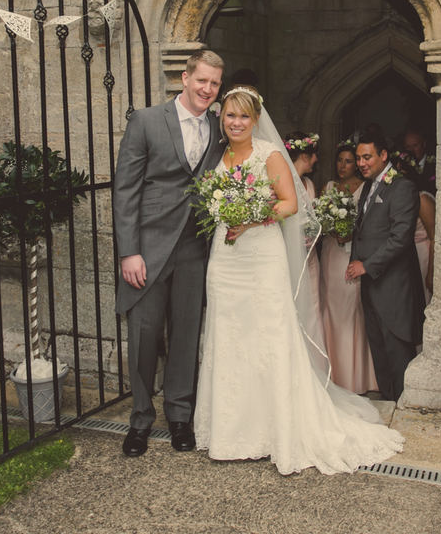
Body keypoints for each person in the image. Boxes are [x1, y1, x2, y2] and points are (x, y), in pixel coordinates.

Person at [195, 87, 404, 475]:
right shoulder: (220, 155)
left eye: (243, 116)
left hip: (261, 254)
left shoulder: (268, 154)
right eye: (229, 116)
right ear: (221, 119)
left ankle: (278, 428)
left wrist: (253, 215)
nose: (235, 122)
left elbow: (289, 204)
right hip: (226, 258)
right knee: (229, 334)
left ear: (255, 120)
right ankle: (232, 429)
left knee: (269, 335)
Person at [113, 50, 226, 458]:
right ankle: (140, 420)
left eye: (214, 84)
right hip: (148, 249)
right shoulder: (145, 121)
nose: (208, 90)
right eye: (202, 81)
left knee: (185, 334)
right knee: (143, 337)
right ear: (185, 77)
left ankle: (180, 416)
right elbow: (125, 189)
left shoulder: (218, 126)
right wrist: (130, 252)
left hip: (196, 247)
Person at [345, 133, 426, 402]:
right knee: (379, 348)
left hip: (394, 285)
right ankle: (390, 401)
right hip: (371, 282)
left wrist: (366, 265)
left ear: (383, 156)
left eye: (367, 157)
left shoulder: (402, 187)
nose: (361, 163)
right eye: (358, 158)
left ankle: (405, 406)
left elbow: (400, 238)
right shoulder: (370, 185)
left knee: (396, 350)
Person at [320, 143, 380, 394]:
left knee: (352, 310)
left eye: (348, 161)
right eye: (339, 160)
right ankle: (334, 375)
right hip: (330, 253)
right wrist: (330, 227)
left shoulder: (366, 188)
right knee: (330, 309)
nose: (343, 166)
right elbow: (317, 220)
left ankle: (357, 377)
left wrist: (350, 235)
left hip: (352, 256)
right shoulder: (328, 187)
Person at [286, 130, 323, 345]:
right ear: (305, 156)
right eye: (314, 154)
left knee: (313, 306)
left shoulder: (309, 184)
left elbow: (314, 220)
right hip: (290, 257)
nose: (317, 159)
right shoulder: (282, 181)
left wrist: (314, 235)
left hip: (311, 260)